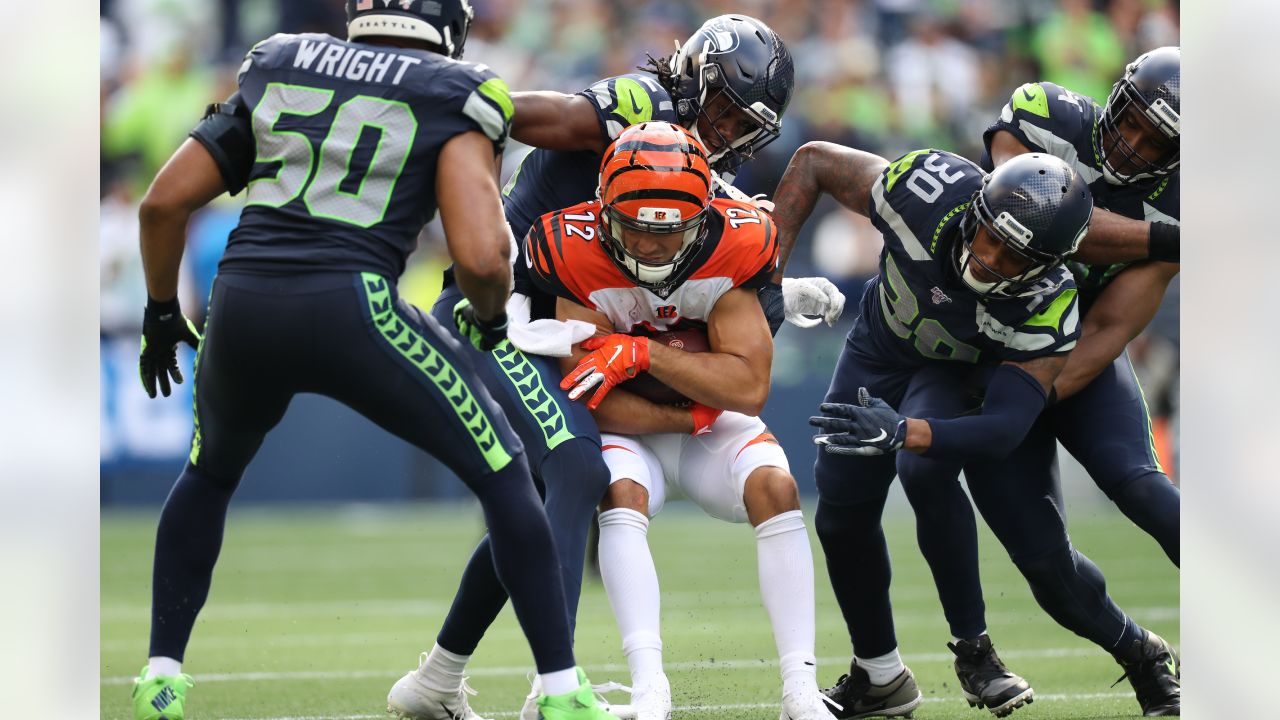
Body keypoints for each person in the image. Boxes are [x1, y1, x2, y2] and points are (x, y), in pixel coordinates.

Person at [130, 3, 617, 720]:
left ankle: (159, 679)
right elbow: (483, 257)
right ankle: (562, 692)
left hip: (241, 301)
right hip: (351, 302)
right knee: (509, 473)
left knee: (207, 476)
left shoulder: (282, 61)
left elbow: (162, 205)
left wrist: (163, 312)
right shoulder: (451, 87)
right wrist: (488, 320)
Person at [395, 15, 841, 719]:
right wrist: (463, 97)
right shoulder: (647, 102)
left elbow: (678, 243)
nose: (724, 131)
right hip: (500, 306)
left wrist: (773, 292)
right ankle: (555, 687)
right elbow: (558, 119)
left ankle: (438, 680)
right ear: (695, 79)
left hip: (550, 313)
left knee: (545, 498)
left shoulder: (699, 163)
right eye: (720, 110)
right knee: (574, 470)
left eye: (740, 122)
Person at [771, 143, 1176, 718]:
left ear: (1048, 264)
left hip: (960, 372)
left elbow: (1007, 426)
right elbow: (811, 161)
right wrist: (769, 272)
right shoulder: (924, 192)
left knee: (1007, 525)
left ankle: (984, 649)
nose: (988, 259)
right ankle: (881, 677)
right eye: (988, 235)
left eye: (1015, 257)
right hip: (879, 352)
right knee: (839, 511)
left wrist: (905, 432)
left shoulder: (1047, 302)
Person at [533, 121, 837, 720]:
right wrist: (691, 408)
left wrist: (643, 353)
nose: (650, 246)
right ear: (603, 212)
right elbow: (590, 397)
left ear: (704, 217)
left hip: (705, 423)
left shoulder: (736, 243)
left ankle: (800, 689)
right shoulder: (572, 252)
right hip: (635, 430)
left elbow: (748, 388)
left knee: (776, 487)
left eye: (667, 232)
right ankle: (650, 689)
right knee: (618, 493)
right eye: (635, 228)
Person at [979, 46, 1181, 566]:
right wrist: (1164, 238)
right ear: (1116, 98)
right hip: (980, 342)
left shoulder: (1180, 202)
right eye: (1132, 124)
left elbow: (1111, 327)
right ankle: (1143, 651)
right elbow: (1040, 213)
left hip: (1074, 349)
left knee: (1142, 489)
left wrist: (1032, 395)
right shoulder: (1047, 113)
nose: (1133, 147)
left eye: (1155, 142)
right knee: (1042, 558)